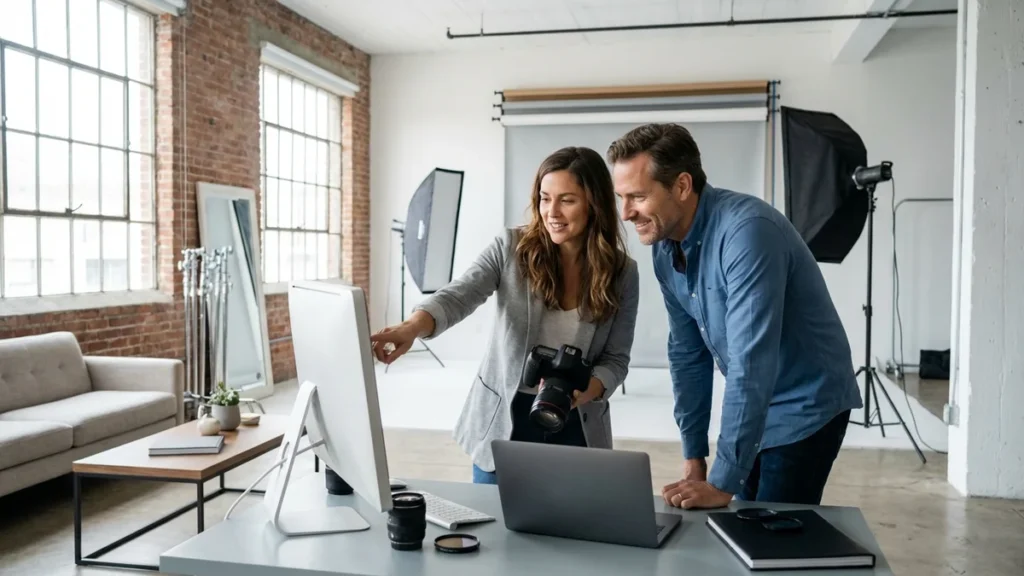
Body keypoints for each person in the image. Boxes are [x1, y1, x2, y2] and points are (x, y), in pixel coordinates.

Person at [607, 123, 862, 508]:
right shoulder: (665, 247)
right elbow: (688, 354)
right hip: (756, 400)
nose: (625, 213)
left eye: (638, 197)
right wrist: (695, 457)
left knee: (769, 537)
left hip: (804, 404)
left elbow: (750, 362)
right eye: (621, 197)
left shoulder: (748, 233)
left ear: (681, 186)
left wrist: (723, 480)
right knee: (740, 525)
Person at [370, 146, 639, 484]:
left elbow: (616, 358)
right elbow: (459, 295)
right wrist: (411, 328)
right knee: (494, 530)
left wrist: (590, 389)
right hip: (503, 420)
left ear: (594, 204)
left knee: (569, 531)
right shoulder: (511, 247)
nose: (551, 212)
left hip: (575, 424)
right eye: (544, 198)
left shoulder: (623, 273)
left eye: (567, 200)